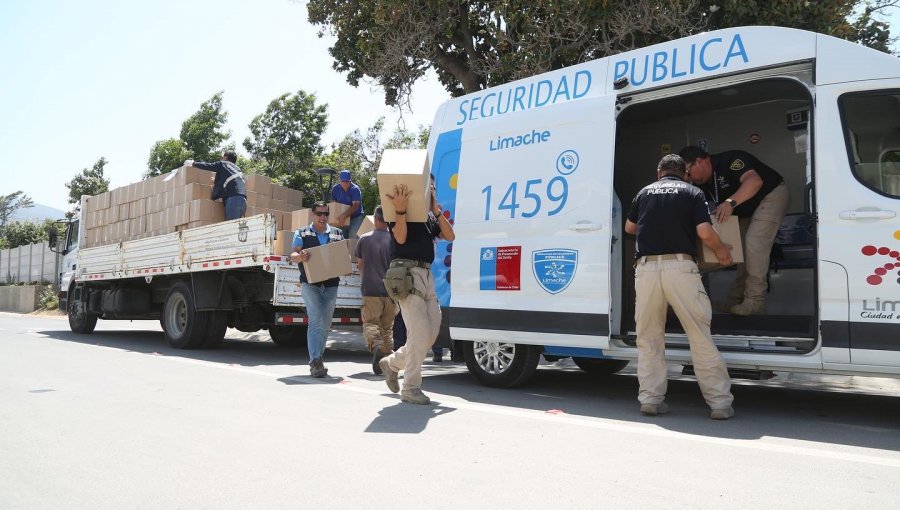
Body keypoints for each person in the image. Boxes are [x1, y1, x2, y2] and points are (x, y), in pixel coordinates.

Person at [624, 154, 735, 420]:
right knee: (699, 335)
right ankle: (719, 404)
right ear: (685, 172)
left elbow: (630, 227)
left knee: (649, 337)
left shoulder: (644, 193)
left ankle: (650, 399)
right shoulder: (692, 191)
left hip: (647, 270)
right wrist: (721, 250)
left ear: (658, 172)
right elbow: (705, 232)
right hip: (680, 268)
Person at [678, 146, 790, 316]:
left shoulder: (731, 160)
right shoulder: (701, 184)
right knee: (741, 251)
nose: (688, 178)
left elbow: (754, 182)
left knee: (754, 242)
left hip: (770, 195)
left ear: (700, 161)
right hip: (743, 209)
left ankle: (755, 300)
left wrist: (729, 203)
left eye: (688, 172)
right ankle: (735, 299)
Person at [378, 178, 455, 405]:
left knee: (430, 334)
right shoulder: (397, 212)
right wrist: (401, 210)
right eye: (425, 185)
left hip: (427, 275)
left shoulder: (430, 216)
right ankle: (410, 388)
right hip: (406, 273)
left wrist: (436, 210)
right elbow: (400, 238)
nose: (430, 189)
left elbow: (451, 236)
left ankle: (392, 363)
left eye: (432, 186)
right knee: (419, 333)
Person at [290, 201, 346, 378]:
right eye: (319, 214)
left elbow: (343, 256)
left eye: (326, 214)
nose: (323, 217)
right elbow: (293, 255)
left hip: (331, 284)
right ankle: (315, 361)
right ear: (312, 215)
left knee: (326, 323)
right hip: (310, 283)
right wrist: (301, 256)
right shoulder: (302, 232)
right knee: (316, 320)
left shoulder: (337, 234)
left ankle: (319, 358)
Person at [354, 205, 396, 375]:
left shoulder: (364, 239)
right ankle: (386, 363)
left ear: (376, 219)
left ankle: (377, 347)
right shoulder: (395, 240)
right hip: (391, 292)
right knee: (387, 328)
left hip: (370, 289)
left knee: (371, 323)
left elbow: (360, 265)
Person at [187, 150, 247, 220]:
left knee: (232, 227)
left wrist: (194, 164)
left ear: (226, 157)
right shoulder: (237, 169)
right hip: (243, 201)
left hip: (233, 200)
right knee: (237, 227)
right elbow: (227, 183)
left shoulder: (223, 164)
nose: (221, 159)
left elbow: (209, 166)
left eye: (222, 157)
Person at [331, 169, 365, 239]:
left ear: (350, 180)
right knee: (340, 237)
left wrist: (344, 215)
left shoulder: (355, 189)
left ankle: (354, 250)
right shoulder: (335, 189)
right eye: (343, 181)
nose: (346, 183)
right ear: (340, 181)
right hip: (341, 217)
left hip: (355, 217)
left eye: (347, 181)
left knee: (353, 236)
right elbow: (333, 204)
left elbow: (355, 206)